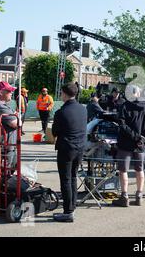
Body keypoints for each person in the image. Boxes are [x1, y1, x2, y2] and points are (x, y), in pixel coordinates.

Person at [112, 85, 145, 207]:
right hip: (140, 144)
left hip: (126, 143)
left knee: (123, 170)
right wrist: (144, 137)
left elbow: (122, 124)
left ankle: (124, 195)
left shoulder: (124, 106)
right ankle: (139, 195)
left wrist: (135, 137)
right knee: (140, 169)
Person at [52, 83, 87, 223]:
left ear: (65, 94)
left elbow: (54, 132)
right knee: (73, 176)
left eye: (61, 93)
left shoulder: (61, 112)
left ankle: (68, 211)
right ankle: (72, 205)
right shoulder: (83, 109)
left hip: (66, 148)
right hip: (80, 148)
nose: (61, 95)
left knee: (66, 179)